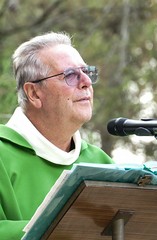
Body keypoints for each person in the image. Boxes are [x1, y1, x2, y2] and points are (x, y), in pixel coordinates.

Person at [0, 31, 114, 239]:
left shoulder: (100, 163)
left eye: (87, 72)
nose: (87, 81)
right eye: (70, 75)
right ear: (34, 93)